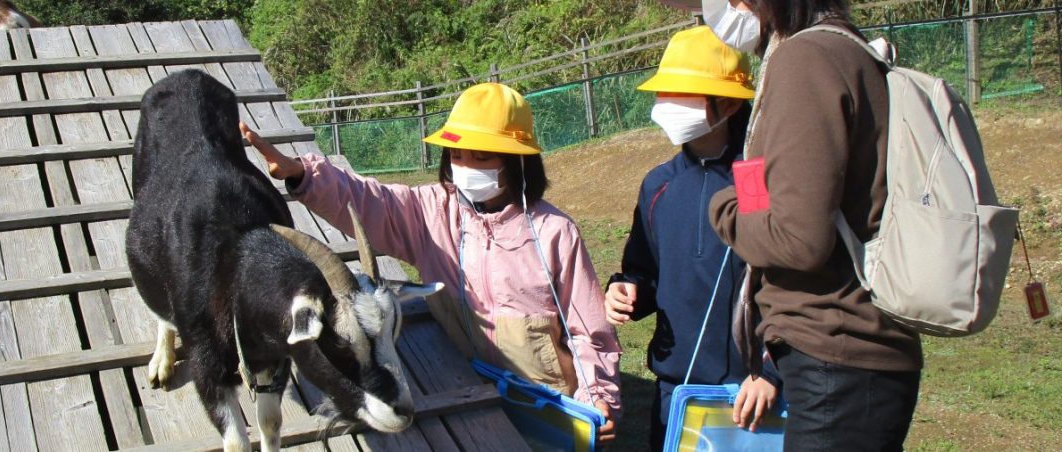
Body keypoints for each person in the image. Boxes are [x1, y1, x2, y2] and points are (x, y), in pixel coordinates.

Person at [240, 82, 622, 443]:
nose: (465, 165)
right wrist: (304, 174)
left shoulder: (555, 233)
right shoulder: (433, 212)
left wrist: (597, 398)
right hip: (464, 387)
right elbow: (370, 200)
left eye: (481, 156)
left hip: (545, 402)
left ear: (517, 160)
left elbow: (589, 331)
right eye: (457, 154)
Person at [702, 0, 924, 450]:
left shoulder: (805, 59)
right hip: (850, 356)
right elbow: (775, 193)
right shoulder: (841, 48)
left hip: (837, 355)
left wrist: (722, 208)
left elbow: (798, 239)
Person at [603, 26, 779, 450]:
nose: (665, 106)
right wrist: (625, 290)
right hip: (675, 393)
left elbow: (786, 278)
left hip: (751, 393)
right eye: (663, 93)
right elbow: (644, 272)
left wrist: (773, 369)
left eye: (681, 95)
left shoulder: (754, 177)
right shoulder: (658, 185)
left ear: (729, 103)